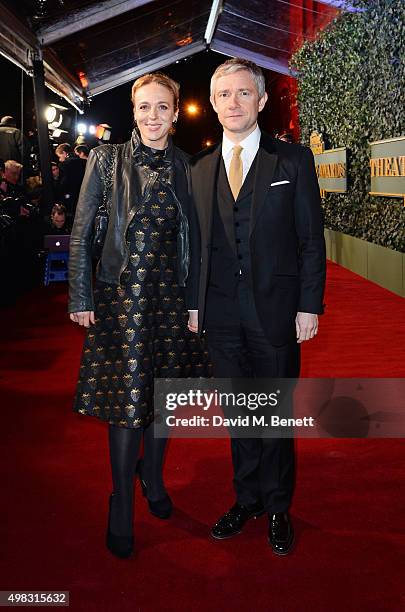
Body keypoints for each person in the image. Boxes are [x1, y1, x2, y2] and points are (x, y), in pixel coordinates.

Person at [68, 71, 208, 559]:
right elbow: (82, 231)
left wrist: (197, 304)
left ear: (176, 113)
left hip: (170, 302)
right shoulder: (105, 162)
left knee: (162, 397)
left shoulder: (189, 166)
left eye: (162, 107)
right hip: (121, 300)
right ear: (133, 111)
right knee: (127, 403)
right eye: (144, 107)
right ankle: (121, 502)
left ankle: (152, 478)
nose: (153, 116)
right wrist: (80, 297)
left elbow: (196, 242)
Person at [189, 58, 326, 555]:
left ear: (262, 101)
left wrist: (309, 305)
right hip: (220, 315)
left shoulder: (292, 161)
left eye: (243, 93)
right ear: (213, 102)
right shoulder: (200, 168)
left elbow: (311, 240)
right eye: (224, 94)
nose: (233, 103)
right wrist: (193, 304)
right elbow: (194, 245)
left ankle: (277, 506)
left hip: (276, 311)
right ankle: (245, 498)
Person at [55, 143, 86, 217]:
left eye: (60, 156)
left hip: (69, 199)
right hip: (83, 196)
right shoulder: (83, 162)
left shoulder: (64, 165)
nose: (59, 159)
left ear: (64, 153)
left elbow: (64, 183)